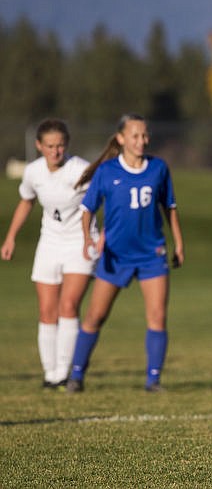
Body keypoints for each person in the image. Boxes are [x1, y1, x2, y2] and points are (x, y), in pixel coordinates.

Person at [65, 113, 184, 393]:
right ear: (121, 139)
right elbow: (87, 209)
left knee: (157, 316)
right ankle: (76, 375)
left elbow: (170, 207)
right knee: (95, 316)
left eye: (144, 135)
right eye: (135, 136)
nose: (141, 141)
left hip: (151, 255)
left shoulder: (158, 168)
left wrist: (178, 243)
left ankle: (153, 380)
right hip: (115, 256)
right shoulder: (107, 171)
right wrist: (87, 239)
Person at [1, 119, 97, 389]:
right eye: (50, 146)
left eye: (61, 146)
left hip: (80, 242)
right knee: (46, 311)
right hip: (50, 243)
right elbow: (26, 202)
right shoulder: (33, 172)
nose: (56, 152)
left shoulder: (80, 170)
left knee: (68, 306)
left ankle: (64, 373)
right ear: (39, 146)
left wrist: (94, 237)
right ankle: (49, 373)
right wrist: (10, 237)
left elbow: (102, 200)